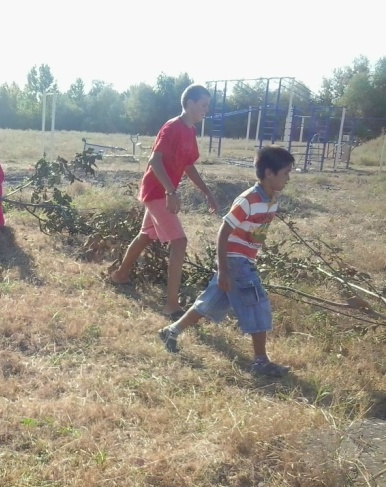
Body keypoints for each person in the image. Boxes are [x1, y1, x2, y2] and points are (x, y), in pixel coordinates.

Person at [158, 145, 295, 377]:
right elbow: (224, 231)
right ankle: (261, 361)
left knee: (209, 303)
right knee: (257, 303)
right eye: (285, 173)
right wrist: (223, 269)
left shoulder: (272, 200)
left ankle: (171, 330)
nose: (288, 178)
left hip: (244, 260)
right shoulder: (248, 199)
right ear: (269, 173)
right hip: (235, 260)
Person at [110, 84, 219, 320]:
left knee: (145, 235)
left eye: (207, 106)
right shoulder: (172, 127)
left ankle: (120, 275)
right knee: (179, 242)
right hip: (156, 190)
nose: (206, 110)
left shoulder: (190, 131)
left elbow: (188, 165)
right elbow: (154, 161)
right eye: (203, 105)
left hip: (163, 191)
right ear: (189, 104)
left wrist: (206, 191)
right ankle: (171, 305)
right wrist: (171, 191)